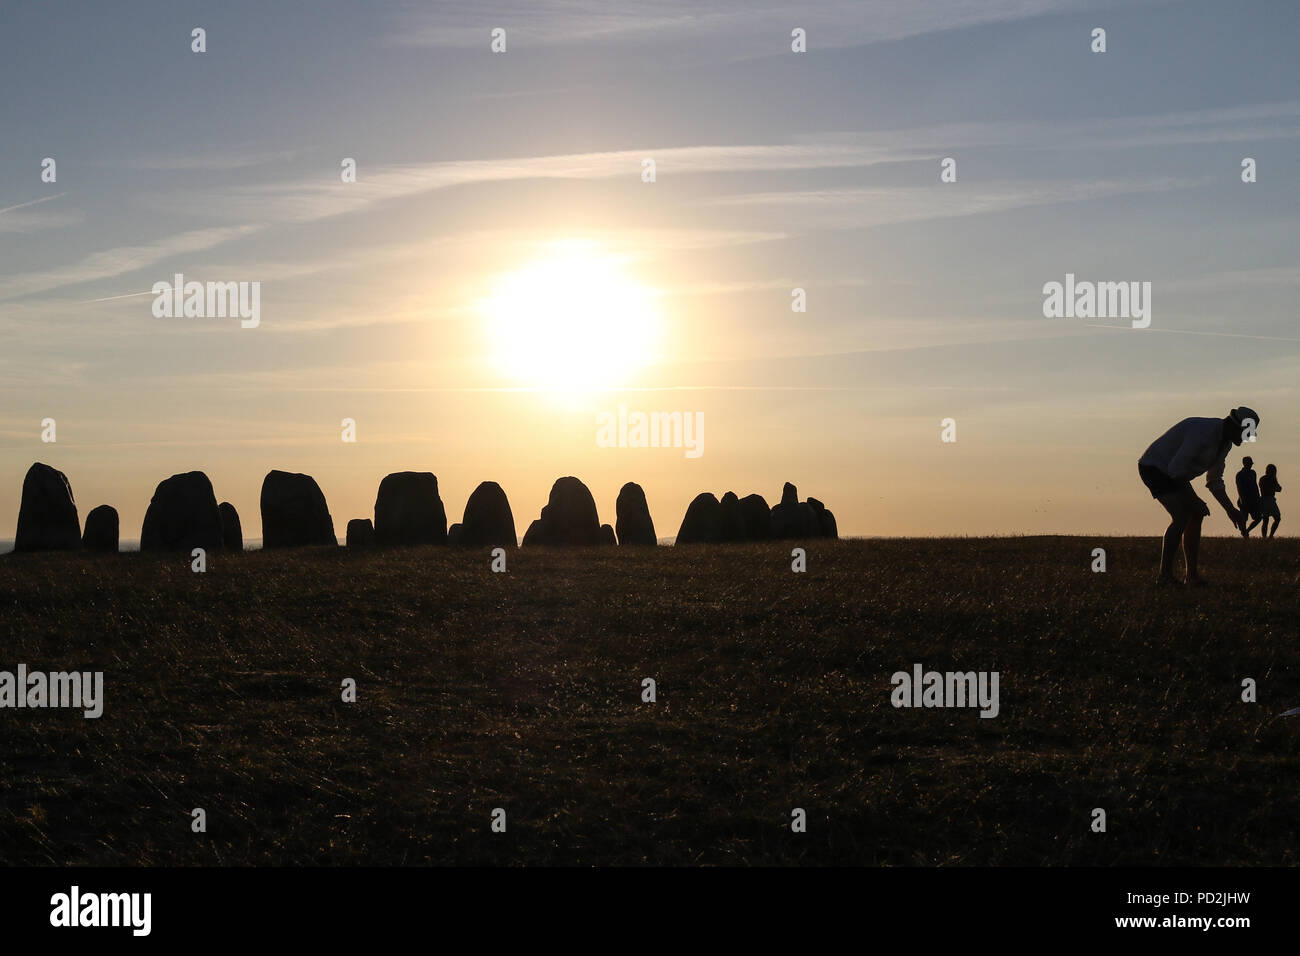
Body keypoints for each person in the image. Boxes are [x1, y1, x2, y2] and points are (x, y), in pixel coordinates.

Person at [1137, 406, 1259, 586]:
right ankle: (1164, 576)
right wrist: (1195, 500)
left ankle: (1191, 577)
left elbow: (1214, 480)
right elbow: (1176, 469)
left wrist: (1230, 510)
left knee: (1196, 513)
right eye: (1244, 434)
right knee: (1181, 517)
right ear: (1234, 426)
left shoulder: (1225, 444)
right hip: (1154, 468)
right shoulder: (1203, 432)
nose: (1243, 441)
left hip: (1174, 474)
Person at [1235, 456, 1263, 537]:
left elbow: (1255, 485)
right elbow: (1239, 488)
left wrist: (1258, 497)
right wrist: (1242, 500)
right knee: (1243, 519)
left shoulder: (1253, 473)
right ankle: (1245, 534)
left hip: (1254, 500)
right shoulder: (1240, 474)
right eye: (1249, 464)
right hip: (1244, 500)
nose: (1250, 465)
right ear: (1244, 464)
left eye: (1251, 464)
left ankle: (1246, 531)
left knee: (1258, 518)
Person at [1258, 464, 1282, 538]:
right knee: (1268, 520)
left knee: (1272, 519)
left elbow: (1279, 488)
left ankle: (1269, 536)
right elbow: (1275, 488)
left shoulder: (1271, 479)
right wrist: (1273, 488)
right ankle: (1267, 537)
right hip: (1267, 499)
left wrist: (1273, 487)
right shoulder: (1265, 479)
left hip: (1269, 500)